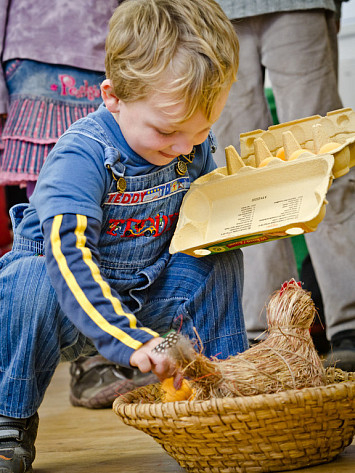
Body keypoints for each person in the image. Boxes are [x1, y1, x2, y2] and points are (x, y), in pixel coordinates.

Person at [0, 0, 248, 470]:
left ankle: (225, 392)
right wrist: (131, 343)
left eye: (200, 133)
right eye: (168, 131)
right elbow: (68, 258)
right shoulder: (81, 155)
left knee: (217, 253)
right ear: (113, 97)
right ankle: (8, 416)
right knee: (29, 279)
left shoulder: (185, 143)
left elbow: (202, 220)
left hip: (146, 293)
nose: (183, 148)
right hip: (64, 301)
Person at [0, 0, 160, 410]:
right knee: (51, 217)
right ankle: (23, 390)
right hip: (34, 59)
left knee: (116, 208)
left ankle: (99, 354)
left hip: (115, 57)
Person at [213, 0, 355, 370]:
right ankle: (270, 335)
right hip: (212, 11)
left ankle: (350, 327)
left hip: (299, 2)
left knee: (326, 163)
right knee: (243, 180)